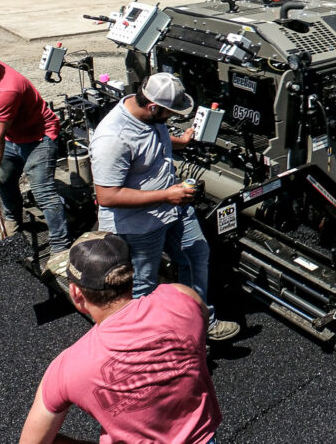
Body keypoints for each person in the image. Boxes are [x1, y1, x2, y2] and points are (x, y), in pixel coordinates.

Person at [19, 231, 222, 444]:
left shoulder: (67, 367)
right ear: (130, 278)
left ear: (76, 294)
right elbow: (202, 324)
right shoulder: (182, 298)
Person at [89, 71, 239, 342]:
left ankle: (199, 323)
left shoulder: (146, 115)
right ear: (153, 106)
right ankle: (147, 343)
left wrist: (181, 141)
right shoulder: (112, 139)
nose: (171, 118)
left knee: (195, 256)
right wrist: (166, 195)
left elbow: (153, 137)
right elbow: (108, 196)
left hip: (172, 206)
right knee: (143, 284)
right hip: (140, 224)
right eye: (169, 113)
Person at [0, 36, 70, 253]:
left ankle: (60, 247)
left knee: (43, 193)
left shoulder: (7, 89)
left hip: (39, 137)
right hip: (14, 136)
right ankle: (12, 220)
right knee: (5, 180)